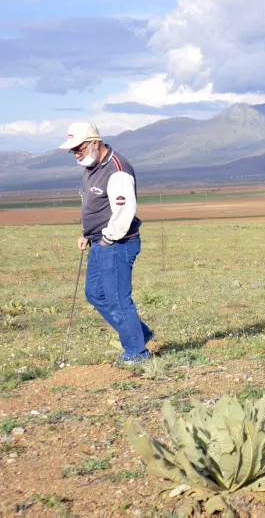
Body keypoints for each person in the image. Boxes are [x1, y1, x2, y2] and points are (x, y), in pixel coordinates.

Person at [58, 122, 155, 362]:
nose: (76, 154)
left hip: (116, 243)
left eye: (79, 148)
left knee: (117, 299)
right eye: (74, 150)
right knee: (95, 294)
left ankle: (137, 353)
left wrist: (106, 239)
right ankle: (139, 334)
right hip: (98, 241)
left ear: (95, 142)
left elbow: (125, 212)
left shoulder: (117, 169)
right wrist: (86, 232)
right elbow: (95, 206)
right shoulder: (91, 167)